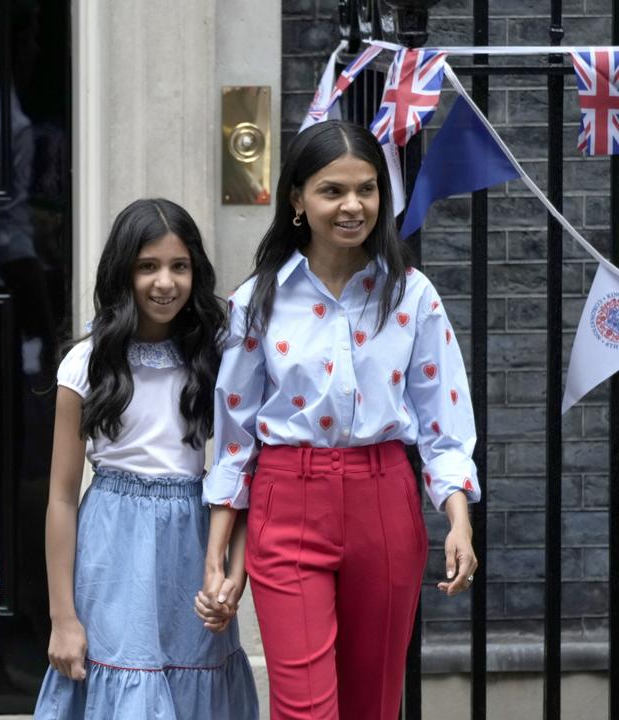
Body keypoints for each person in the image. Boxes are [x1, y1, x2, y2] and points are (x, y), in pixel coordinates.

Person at [198, 120, 481, 720]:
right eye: (333, 191)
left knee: (373, 704)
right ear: (298, 200)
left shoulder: (412, 295)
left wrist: (459, 522)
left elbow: (443, 424)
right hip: (287, 502)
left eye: (367, 189)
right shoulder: (259, 300)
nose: (353, 206)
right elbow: (234, 437)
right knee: (305, 709)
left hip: (386, 498)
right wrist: (218, 555)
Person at [35, 199, 259, 719]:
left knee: (194, 673)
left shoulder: (218, 354)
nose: (165, 282)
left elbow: (242, 469)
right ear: (123, 273)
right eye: (148, 267)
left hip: (192, 533)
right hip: (112, 542)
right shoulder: (87, 362)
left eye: (179, 267)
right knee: (123, 675)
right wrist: (62, 618)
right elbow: (62, 499)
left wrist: (234, 573)